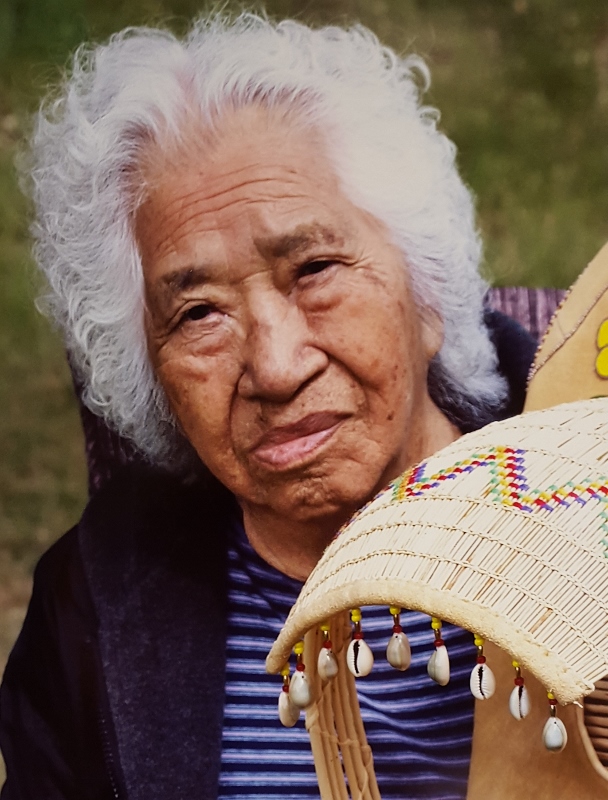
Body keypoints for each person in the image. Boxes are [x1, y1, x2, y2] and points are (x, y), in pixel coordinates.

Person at [0, 12, 536, 800]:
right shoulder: (91, 605)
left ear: (429, 296)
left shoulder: (586, 510)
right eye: (198, 314)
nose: (277, 368)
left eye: (314, 269)